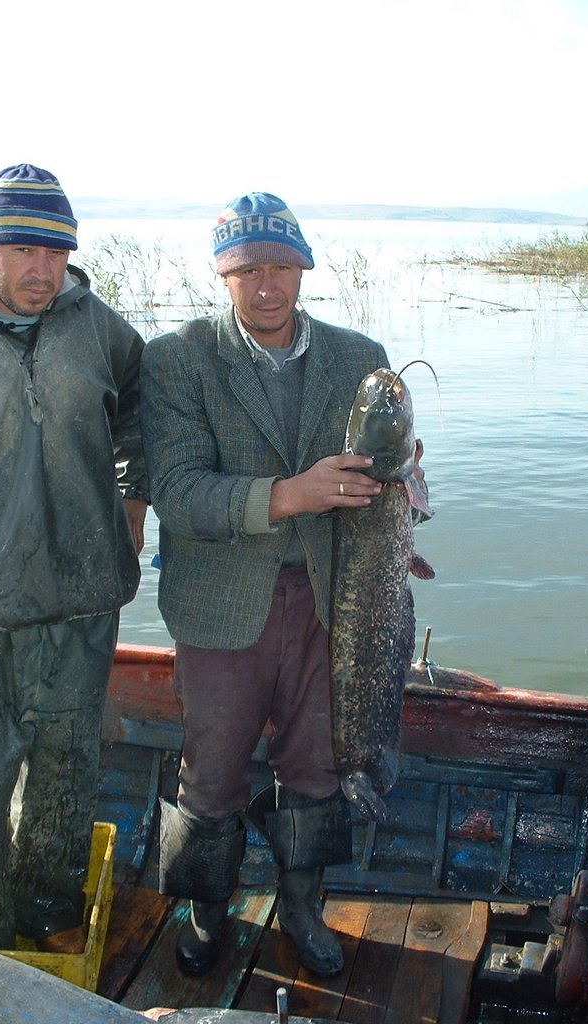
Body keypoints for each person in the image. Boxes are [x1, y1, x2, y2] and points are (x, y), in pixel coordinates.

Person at [140, 193, 415, 979]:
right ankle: (204, 909)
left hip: (336, 602)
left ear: (303, 269)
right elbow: (181, 493)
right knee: (213, 768)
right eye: (249, 270)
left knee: (319, 764)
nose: (269, 286)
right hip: (222, 606)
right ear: (223, 274)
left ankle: (303, 905)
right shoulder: (178, 359)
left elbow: (383, 467)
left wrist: (406, 486)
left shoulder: (359, 353)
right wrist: (291, 494)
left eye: (283, 268)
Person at [0, 164, 149, 952]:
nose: (42, 270)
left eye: (57, 251)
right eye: (21, 249)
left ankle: (49, 917)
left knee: (64, 777)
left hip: (81, 602)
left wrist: (133, 500)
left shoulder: (99, 327)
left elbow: (142, 412)